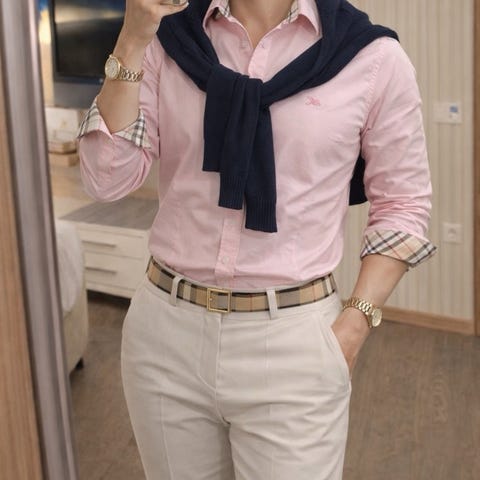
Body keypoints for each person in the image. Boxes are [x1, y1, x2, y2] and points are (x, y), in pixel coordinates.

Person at [78, 0, 436, 478]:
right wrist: (132, 38)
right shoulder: (168, 39)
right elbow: (106, 180)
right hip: (164, 334)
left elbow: (403, 203)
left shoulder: (370, 56)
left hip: (293, 341)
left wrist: (355, 324)